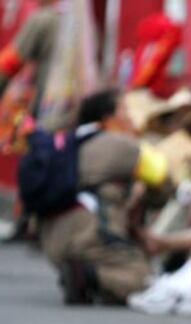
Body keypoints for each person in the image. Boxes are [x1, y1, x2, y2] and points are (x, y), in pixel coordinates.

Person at [37, 88, 171, 304]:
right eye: (124, 109)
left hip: (51, 239)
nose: (129, 115)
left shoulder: (66, 141)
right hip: (89, 234)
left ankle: (87, 278)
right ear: (108, 117)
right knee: (145, 279)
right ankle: (89, 277)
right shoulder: (120, 145)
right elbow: (163, 178)